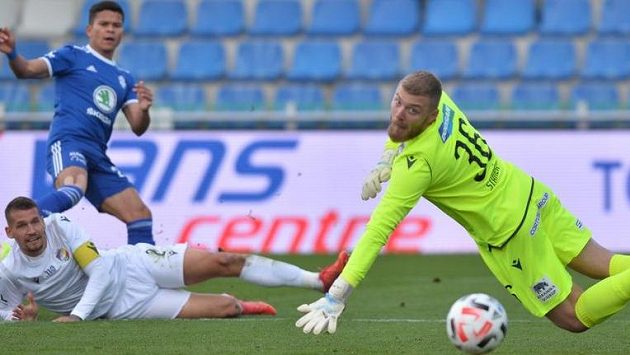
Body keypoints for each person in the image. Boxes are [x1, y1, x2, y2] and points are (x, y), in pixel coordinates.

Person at [295, 71, 630, 335]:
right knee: (606, 264)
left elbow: (378, 232)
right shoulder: (441, 103)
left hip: (511, 233)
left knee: (574, 315)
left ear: (429, 116)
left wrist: (337, 294)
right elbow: (400, 129)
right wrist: (386, 159)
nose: (399, 114)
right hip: (529, 192)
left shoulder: (418, 165)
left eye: (411, 110)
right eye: (397, 101)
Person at [1, 196, 349, 322]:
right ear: (10, 233)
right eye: (23, 226)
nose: (33, 230)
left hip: (131, 264)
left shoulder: (59, 224)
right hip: (124, 308)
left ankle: (317, 280)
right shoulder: (10, 270)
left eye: (35, 220)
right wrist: (21, 319)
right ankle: (240, 305)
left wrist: (76, 316)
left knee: (224, 261)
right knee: (225, 309)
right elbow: (6, 312)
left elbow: (101, 271)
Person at [0, 1, 156, 245]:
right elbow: (27, 69)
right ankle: (14, 239)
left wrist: (145, 110)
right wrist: (12, 54)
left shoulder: (125, 79)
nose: (110, 30)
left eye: (116, 25)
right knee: (74, 188)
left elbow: (138, 126)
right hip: (69, 141)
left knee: (140, 215)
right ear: (89, 29)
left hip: (98, 155)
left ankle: (142, 278)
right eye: (104, 24)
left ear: (122, 32)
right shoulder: (72, 56)